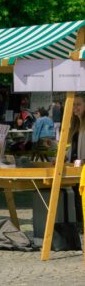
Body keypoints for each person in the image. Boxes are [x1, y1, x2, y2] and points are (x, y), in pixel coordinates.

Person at [68, 93, 85, 230]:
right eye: (73, 104)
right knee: (76, 197)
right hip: (74, 168)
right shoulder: (74, 125)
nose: (75, 107)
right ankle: (80, 223)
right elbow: (70, 147)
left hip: (83, 167)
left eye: (78, 104)